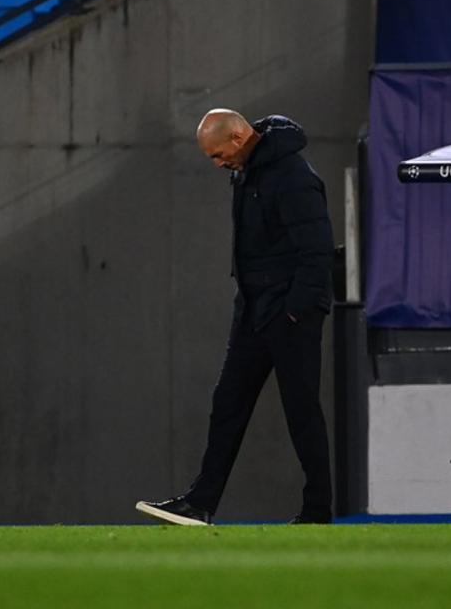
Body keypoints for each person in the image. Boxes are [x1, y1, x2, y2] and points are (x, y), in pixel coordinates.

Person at [136, 110, 334, 525]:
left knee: (301, 413)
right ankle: (200, 503)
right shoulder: (247, 170)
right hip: (253, 310)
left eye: (217, 154)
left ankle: (317, 511)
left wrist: (295, 311)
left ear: (240, 136)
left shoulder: (292, 176)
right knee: (227, 404)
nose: (217, 163)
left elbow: (317, 252)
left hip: (288, 313)